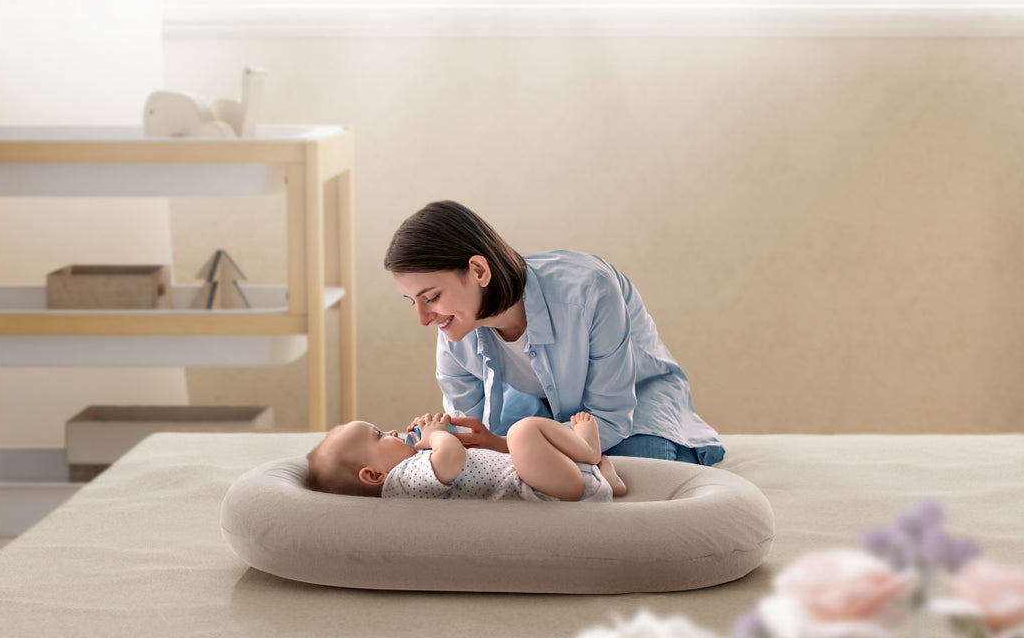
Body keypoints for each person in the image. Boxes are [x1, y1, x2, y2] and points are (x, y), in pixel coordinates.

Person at [383, 200, 724, 465]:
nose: (424, 319)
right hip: (541, 413)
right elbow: (467, 434)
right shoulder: (456, 330)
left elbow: (611, 417)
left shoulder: (589, 291)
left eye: (431, 297)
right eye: (413, 302)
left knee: (627, 479)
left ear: (478, 270)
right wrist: (434, 440)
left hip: (632, 407)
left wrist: (503, 446)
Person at [307, 411, 626, 502]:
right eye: (378, 435)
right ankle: (589, 452)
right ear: (374, 474)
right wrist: (435, 436)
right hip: (543, 490)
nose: (391, 433)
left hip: (550, 481)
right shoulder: (403, 481)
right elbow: (451, 459)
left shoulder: (413, 470)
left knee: (523, 442)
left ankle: (605, 482)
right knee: (523, 431)